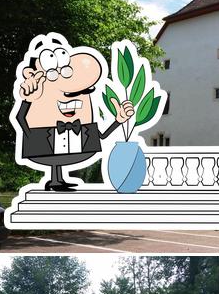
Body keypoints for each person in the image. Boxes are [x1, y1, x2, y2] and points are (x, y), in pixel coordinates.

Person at [12, 33, 134, 191]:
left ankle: (58, 180)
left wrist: (119, 119)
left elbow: (101, 136)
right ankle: (55, 180)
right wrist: (32, 136)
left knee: (59, 158)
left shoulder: (84, 129)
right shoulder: (35, 92)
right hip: (44, 137)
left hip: (73, 138)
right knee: (54, 157)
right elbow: (19, 116)